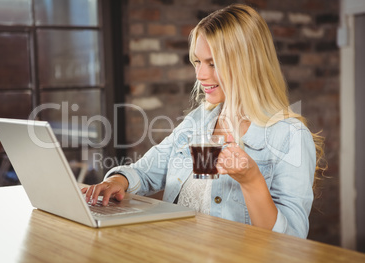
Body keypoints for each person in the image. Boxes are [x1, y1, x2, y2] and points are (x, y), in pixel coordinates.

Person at [82, 3, 326, 239]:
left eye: (213, 63)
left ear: (248, 64)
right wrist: (117, 180)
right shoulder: (200, 120)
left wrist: (251, 181)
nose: (200, 75)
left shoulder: (289, 135)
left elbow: (290, 242)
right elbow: (147, 172)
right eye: (197, 61)